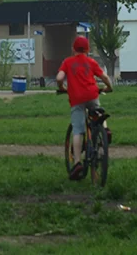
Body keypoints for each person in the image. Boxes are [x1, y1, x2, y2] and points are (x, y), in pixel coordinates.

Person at [56, 37, 114, 181]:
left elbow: (59, 78)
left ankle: (77, 163)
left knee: (78, 130)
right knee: (98, 110)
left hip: (77, 99)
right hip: (91, 94)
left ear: (73, 49)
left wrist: (62, 88)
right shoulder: (91, 62)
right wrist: (109, 87)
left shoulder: (67, 62)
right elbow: (105, 77)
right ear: (88, 49)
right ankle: (105, 129)